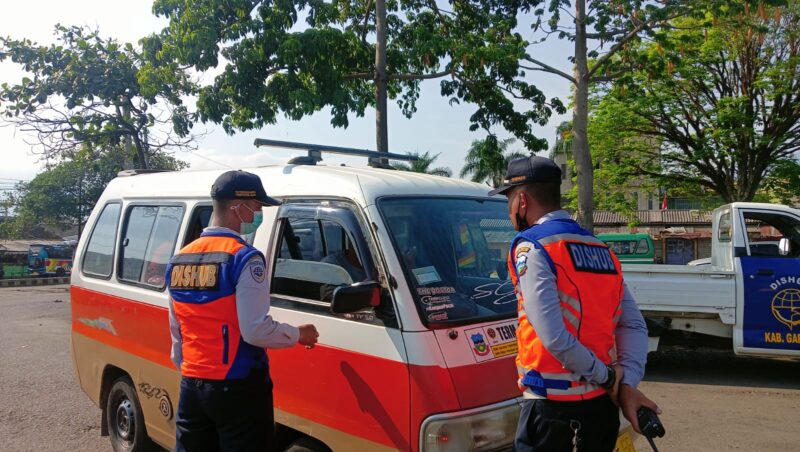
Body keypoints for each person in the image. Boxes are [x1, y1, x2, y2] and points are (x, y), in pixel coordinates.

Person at [489, 156, 660, 451]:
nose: (509, 210)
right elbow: (632, 325)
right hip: (601, 411)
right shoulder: (601, 249)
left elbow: (554, 336)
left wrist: (607, 377)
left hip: (551, 412)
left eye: (508, 200)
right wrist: (625, 382)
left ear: (522, 200)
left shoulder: (532, 247)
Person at [166, 170, 319, 452]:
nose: (259, 213)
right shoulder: (244, 258)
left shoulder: (178, 259)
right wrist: (298, 334)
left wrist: (196, 374)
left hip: (192, 386)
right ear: (240, 207)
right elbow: (255, 330)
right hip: (237, 387)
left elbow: (178, 334)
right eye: (258, 207)